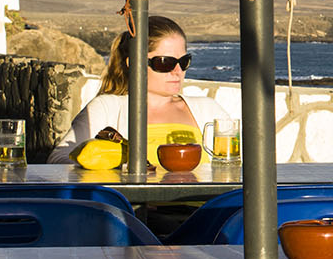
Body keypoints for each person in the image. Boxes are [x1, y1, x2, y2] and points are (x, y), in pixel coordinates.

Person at [49, 15, 232, 168]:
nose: (178, 71)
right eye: (165, 63)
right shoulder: (107, 108)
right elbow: (58, 161)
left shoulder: (208, 109)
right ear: (134, 64)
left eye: (184, 62)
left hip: (204, 209)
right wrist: (119, 173)